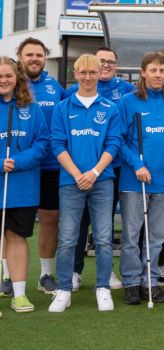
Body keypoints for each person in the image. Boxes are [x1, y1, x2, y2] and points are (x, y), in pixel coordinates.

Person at [48, 54, 121, 313]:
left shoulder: (109, 108)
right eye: (83, 73)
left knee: (103, 238)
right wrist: (78, 173)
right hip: (70, 181)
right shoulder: (63, 108)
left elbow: (113, 144)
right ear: (75, 74)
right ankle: (64, 289)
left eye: (93, 72)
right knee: (67, 238)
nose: (88, 77)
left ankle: (102, 287)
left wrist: (93, 172)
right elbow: (57, 144)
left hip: (102, 181)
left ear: (99, 73)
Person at [68, 47, 133, 292]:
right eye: (101, 61)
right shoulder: (71, 94)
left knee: (104, 224)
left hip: (110, 170)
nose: (105, 65)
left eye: (110, 62)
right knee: (79, 222)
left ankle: (106, 273)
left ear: (116, 66)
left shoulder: (125, 91)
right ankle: (75, 271)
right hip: (78, 172)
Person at [118, 51, 164, 305]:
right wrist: (137, 164)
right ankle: (132, 282)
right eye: (153, 70)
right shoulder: (128, 102)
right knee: (132, 235)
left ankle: (150, 281)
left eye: (162, 71)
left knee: (156, 237)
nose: (158, 75)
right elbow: (118, 141)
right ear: (143, 72)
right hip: (135, 181)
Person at [5, 38, 64, 296]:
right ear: (20, 56)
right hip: (16, 169)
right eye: (29, 54)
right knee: (8, 225)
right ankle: (7, 277)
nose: (35, 59)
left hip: (50, 164)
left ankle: (45, 274)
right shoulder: (10, 82)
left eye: (39, 55)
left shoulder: (56, 87)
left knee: (50, 219)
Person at [0, 57, 49, 312]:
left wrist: (17, 161)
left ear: (17, 77)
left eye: (8, 75)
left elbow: (42, 143)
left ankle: (19, 294)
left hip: (22, 187)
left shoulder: (32, 107)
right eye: (0, 76)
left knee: (16, 237)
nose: (4, 80)